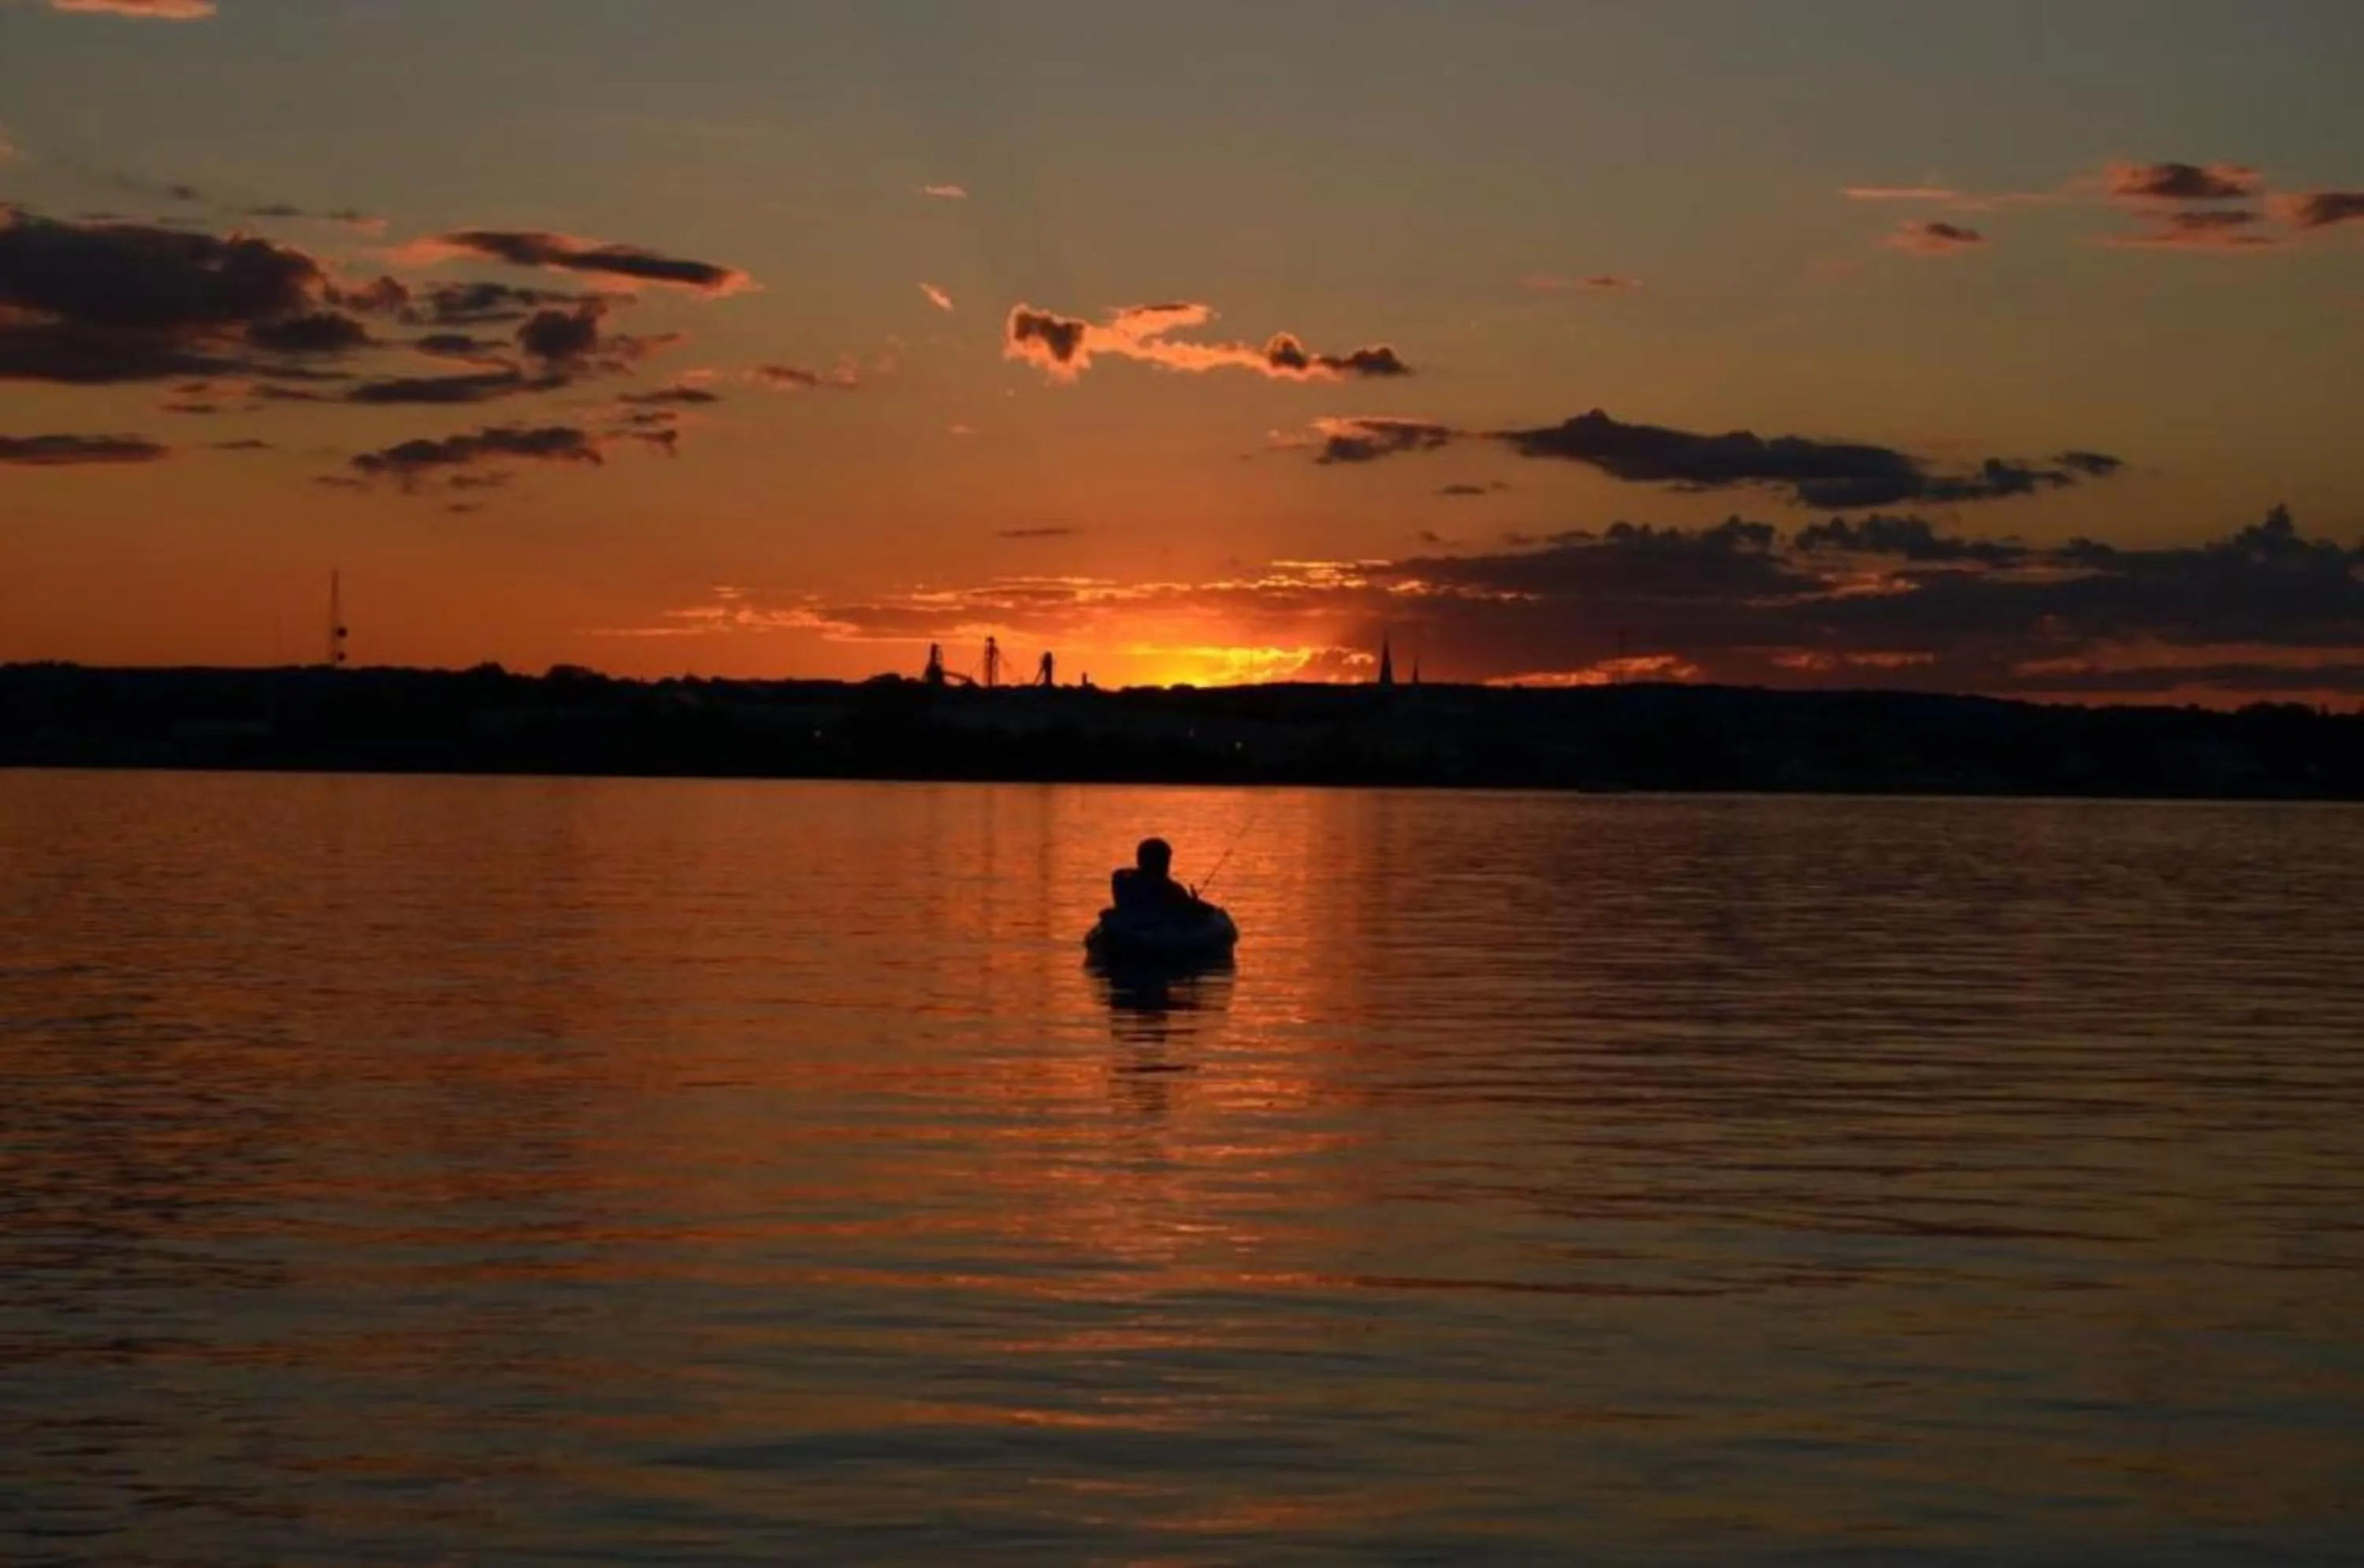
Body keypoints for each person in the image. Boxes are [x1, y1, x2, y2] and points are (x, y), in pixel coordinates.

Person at [1111, 837, 1204, 916]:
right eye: (1166, 860)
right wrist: (1194, 904)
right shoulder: (1173, 890)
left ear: (1139, 860)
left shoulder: (1123, 880)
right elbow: (1189, 913)